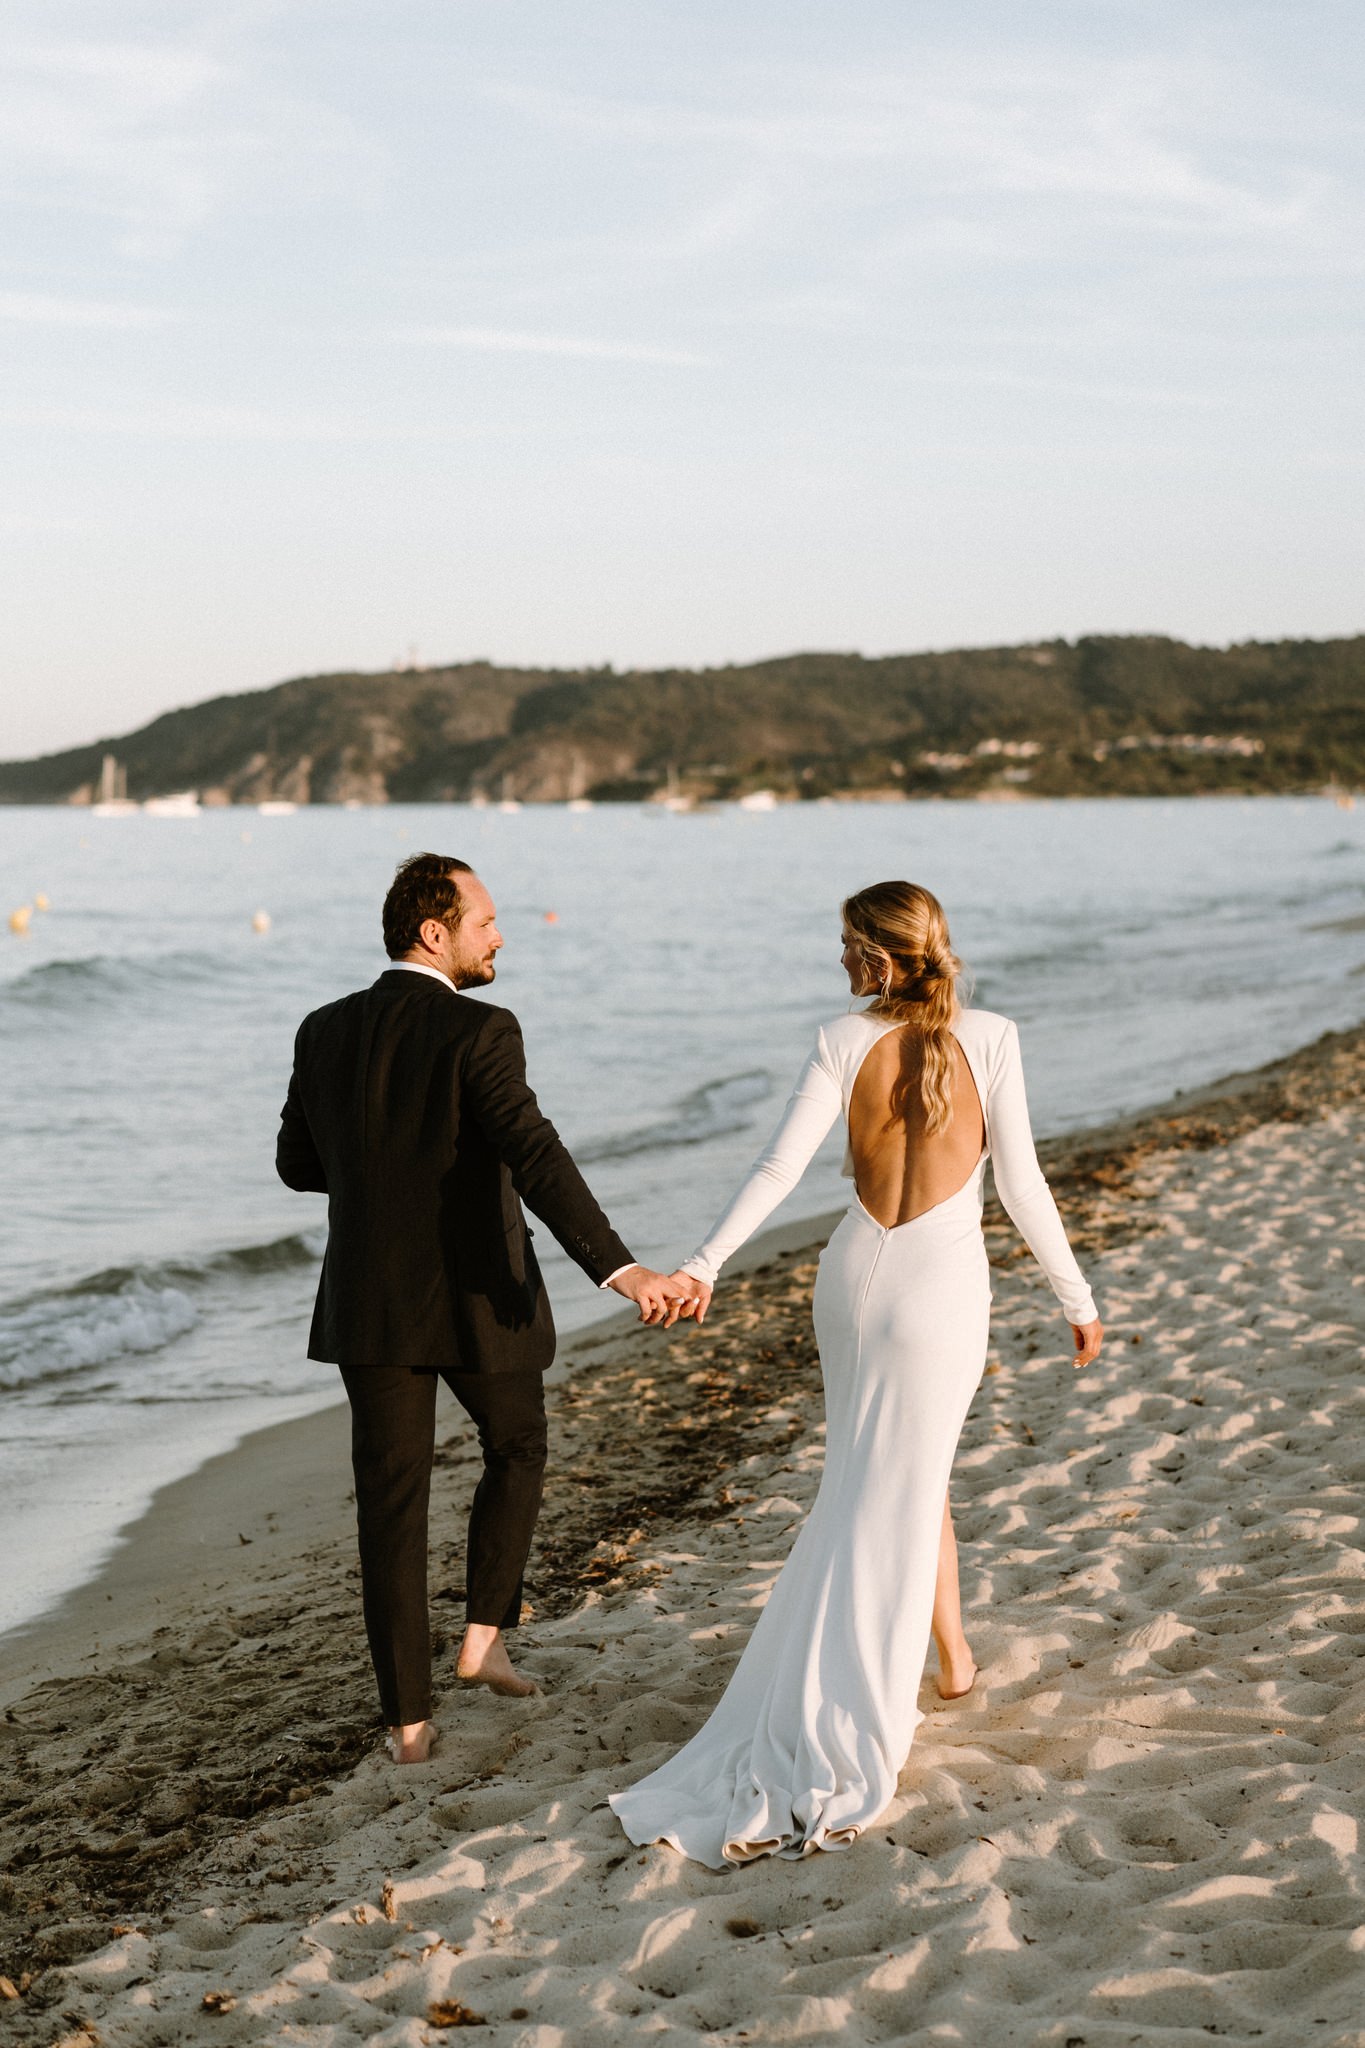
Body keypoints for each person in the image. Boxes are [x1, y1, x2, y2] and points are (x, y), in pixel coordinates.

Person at [610, 880, 1103, 1866]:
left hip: (853, 1277)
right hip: (940, 1285)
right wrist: (1076, 1295)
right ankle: (905, 1679)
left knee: (891, 1474)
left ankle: (955, 1659)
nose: (841, 961)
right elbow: (1021, 1183)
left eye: (851, 946)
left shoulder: (842, 1039)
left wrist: (705, 1261)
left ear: (885, 954)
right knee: (907, 1475)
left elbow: (776, 1167)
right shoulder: (994, 1035)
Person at [276, 853, 688, 1764]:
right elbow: (534, 1153)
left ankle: (409, 1728)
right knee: (518, 1444)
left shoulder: (321, 1029)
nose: (499, 934)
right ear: (436, 932)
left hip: (369, 1304)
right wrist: (620, 1270)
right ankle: (482, 1638)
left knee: (390, 1506)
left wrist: (384, 1157)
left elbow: (299, 1167)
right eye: (485, 920)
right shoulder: (481, 1029)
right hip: (474, 1298)